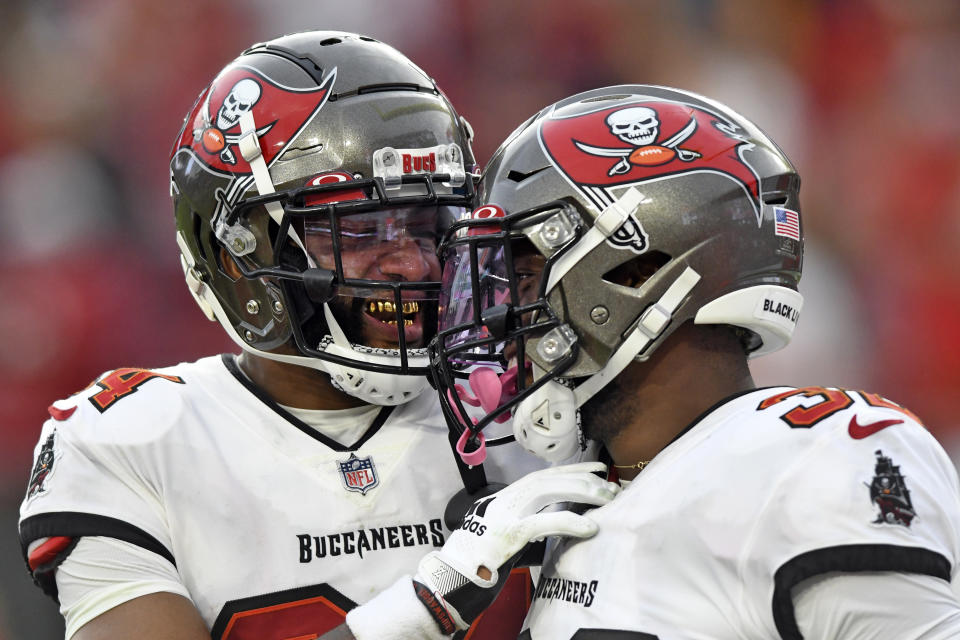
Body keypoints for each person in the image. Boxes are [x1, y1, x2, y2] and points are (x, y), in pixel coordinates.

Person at [17, 32, 608, 640]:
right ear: (239, 255)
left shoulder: (535, 406)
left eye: (427, 223)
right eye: (358, 229)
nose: (412, 263)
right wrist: (425, 607)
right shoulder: (131, 442)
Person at [423, 85, 960, 639]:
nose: (500, 320)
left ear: (634, 274)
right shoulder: (568, 492)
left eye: (526, 278)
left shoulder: (808, 461)